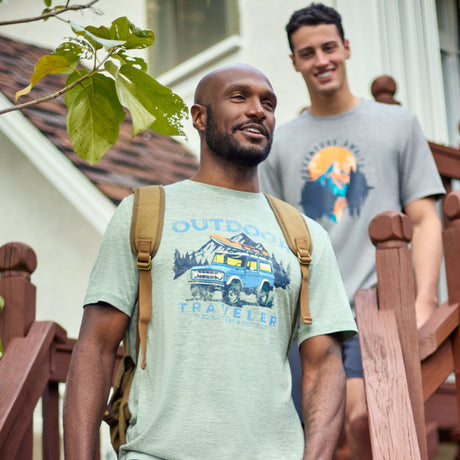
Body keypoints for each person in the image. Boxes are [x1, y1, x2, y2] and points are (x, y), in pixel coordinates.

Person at [63, 63, 357, 460]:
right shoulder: (143, 213)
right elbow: (95, 347)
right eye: (239, 97)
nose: (258, 110)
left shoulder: (304, 236)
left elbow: (324, 366)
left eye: (268, 103)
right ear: (199, 117)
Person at [259, 4, 445, 459]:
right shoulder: (278, 143)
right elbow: (270, 233)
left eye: (328, 47)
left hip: (376, 301)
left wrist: (423, 300)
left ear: (346, 48)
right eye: (307, 53)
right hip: (309, 310)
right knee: (324, 436)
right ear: (294, 62)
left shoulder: (397, 123)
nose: (320, 60)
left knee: (365, 421)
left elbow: (424, 218)